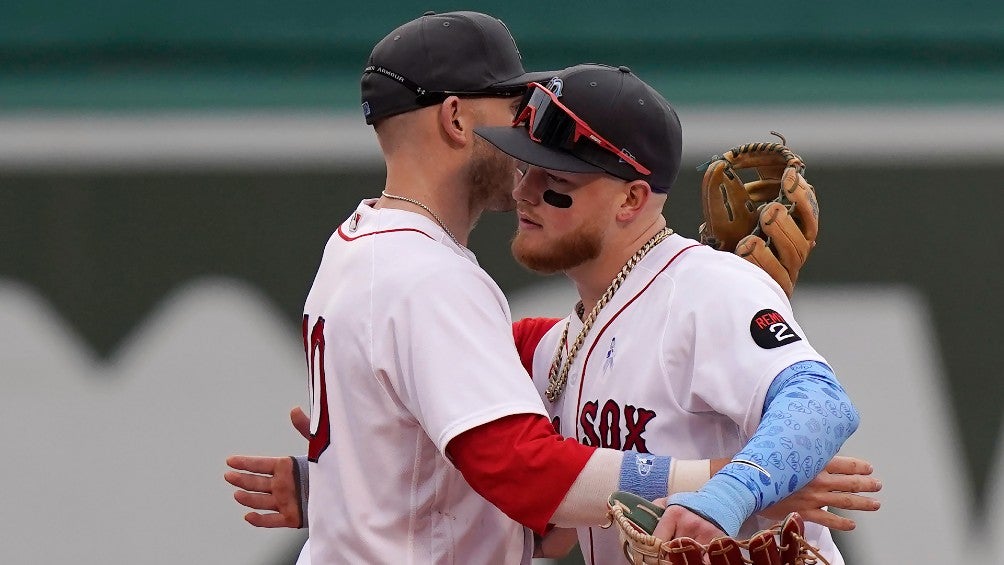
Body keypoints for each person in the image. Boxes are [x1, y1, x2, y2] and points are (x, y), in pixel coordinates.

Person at [226, 13, 879, 565]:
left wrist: (734, 489)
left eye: (557, 177)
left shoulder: (703, 291)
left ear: (632, 198)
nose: (527, 189)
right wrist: (348, 480)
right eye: (528, 164)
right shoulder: (552, 348)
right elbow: (527, 490)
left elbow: (822, 403)